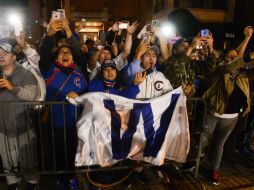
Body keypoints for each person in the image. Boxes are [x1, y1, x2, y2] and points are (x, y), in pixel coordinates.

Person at [39, 18, 88, 190]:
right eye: (61, 53)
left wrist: (68, 30)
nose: (66, 54)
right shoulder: (50, 70)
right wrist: (48, 35)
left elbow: (78, 51)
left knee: (74, 150)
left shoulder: (79, 70)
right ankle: (61, 178)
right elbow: (44, 53)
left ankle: (72, 176)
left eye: (68, 53)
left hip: (77, 121)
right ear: (56, 57)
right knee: (58, 151)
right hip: (57, 121)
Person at [201, 26, 253, 185]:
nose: (234, 59)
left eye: (235, 57)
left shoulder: (243, 75)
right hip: (213, 113)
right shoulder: (221, 68)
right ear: (225, 59)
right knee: (203, 141)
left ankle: (215, 169)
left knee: (219, 144)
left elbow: (240, 59)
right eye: (230, 57)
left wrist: (247, 37)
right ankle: (193, 162)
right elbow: (237, 61)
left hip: (231, 118)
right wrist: (247, 39)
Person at [0, 40, 39, 190]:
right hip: (2, 128)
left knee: (28, 160)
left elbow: (31, 94)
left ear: (14, 57)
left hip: (23, 125)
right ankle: (13, 183)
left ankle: (31, 183)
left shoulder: (25, 73)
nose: (1, 56)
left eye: (5, 53)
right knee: (7, 160)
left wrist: (12, 88)